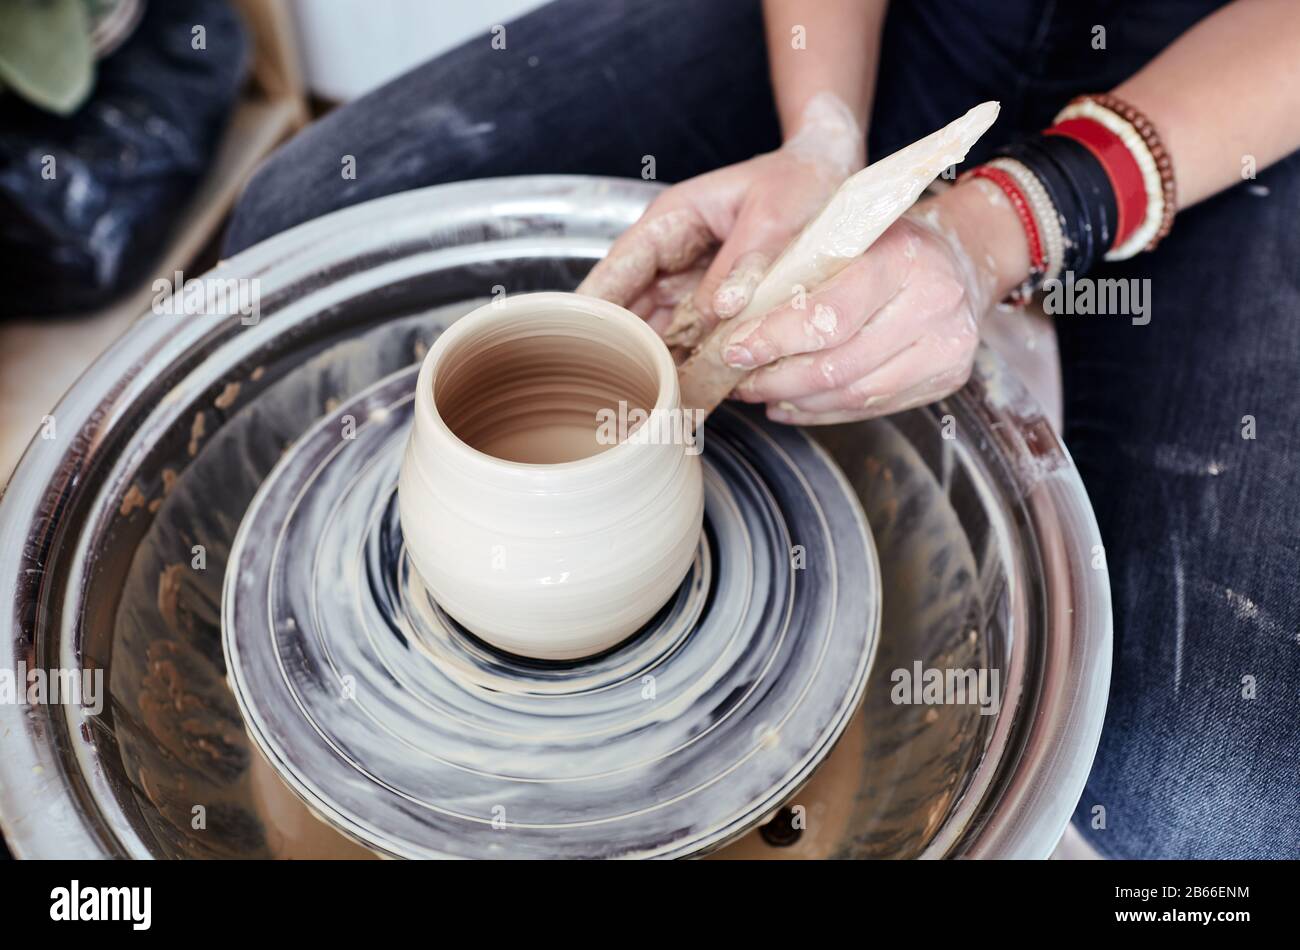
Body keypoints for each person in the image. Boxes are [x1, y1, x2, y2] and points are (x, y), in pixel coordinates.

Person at [224, 0, 1300, 858]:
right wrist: (819, 138)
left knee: (1216, 805)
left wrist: (1009, 220)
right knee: (302, 223)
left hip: (1230, 69)